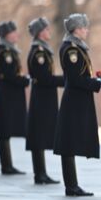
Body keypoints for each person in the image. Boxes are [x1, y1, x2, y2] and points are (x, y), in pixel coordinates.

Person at [54, 13, 101, 197]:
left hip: (78, 99)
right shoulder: (71, 49)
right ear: (76, 29)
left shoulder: (77, 47)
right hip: (74, 100)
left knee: (70, 143)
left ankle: (72, 185)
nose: (86, 30)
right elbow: (75, 78)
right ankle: (71, 185)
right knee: (68, 143)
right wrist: (97, 84)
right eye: (84, 27)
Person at [26, 17, 64, 184]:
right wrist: (65, 80)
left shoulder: (42, 49)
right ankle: (39, 174)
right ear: (40, 33)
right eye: (46, 29)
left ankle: (41, 173)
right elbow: (43, 78)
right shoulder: (39, 52)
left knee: (40, 135)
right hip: (42, 97)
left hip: (44, 96)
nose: (49, 32)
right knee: (39, 135)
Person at [0, 21, 30, 174]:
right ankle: (6, 165)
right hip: (7, 95)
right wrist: (25, 80)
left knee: (5, 132)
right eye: (13, 32)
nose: (16, 35)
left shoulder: (9, 50)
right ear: (6, 35)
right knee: (4, 131)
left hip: (9, 94)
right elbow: (9, 75)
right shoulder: (4, 51)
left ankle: (7, 164)